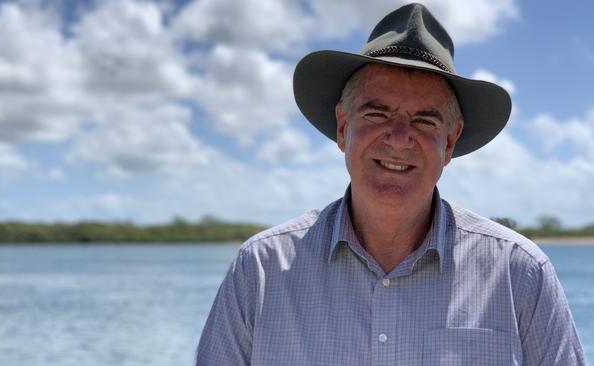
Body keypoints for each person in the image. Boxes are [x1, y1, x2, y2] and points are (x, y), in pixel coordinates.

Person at [196, 3, 586, 365]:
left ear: (449, 142)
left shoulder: (521, 274)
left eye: (425, 121)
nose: (399, 138)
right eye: (377, 114)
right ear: (343, 127)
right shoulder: (260, 272)